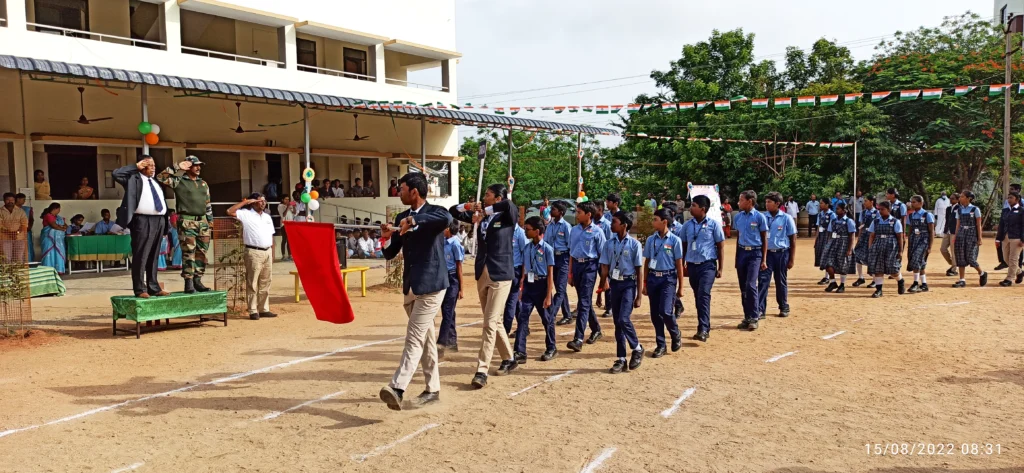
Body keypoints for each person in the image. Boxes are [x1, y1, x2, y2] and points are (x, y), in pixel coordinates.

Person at [378, 172, 452, 411]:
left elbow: (446, 219)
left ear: (414, 192)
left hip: (431, 287)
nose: (398, 192)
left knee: (414, 337)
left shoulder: (436, 212)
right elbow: (390, 253)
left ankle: (397, 387)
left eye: (401, 188)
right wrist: (386, 237)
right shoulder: (401, 217)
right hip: (411, 287)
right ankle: (433, 389)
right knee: (426, 340)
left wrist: (414, 222)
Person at [449, 183, 520, 388]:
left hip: (501, 274)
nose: (484, 198)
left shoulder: (507, 216)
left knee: (489, 323)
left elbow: (509, 206)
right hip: (483, 273)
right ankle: (509, 358)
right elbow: (453, 212)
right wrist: (469, 207)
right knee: (493, 321)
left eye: (488, 195)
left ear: (497, 198)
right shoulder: (480, 218)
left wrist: (485, 210)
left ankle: (482, 370)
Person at [114, 155, 170, 298]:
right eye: (149, 164)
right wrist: (135, 166)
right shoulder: (133, 180)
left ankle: (154, 287)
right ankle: (140, 289)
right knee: (141, 255)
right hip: (142, 221)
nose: (153, 167)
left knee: (154, 255)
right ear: (142, 165)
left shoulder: (155, 181)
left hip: (159, 220)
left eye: (154, 164)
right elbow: (116, 174)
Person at [157, 156, 213, 294]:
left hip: (203, 222)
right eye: (195, 165)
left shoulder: (203, 183)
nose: (198, 168)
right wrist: (177, 167)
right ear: (188, 167)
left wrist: (210, 221)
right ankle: (188, 282)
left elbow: (207, 204)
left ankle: (198, 280)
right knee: (189, 253)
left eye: (200, 165)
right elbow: (160, 177)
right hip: (187, 221)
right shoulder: (179, 181)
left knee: (202, 253)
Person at [599, 211, 644, 372]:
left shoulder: (634, 245)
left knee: (624, 319)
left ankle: (637, 348)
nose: (611, 224)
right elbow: (604, 267)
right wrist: (601, 288)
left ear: (624, 225)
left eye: (615, 222)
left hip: (628, 284)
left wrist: (639, 295)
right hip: (614, 284)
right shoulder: (609, 243)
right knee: (617, 323)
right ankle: (621, 358)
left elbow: (639, 270)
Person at [679, 195, 724, 342]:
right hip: (692, 266)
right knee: (698, 296)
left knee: (704, 294)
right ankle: (704, 325)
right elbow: (683, 245)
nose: (690, 208)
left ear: (702, 209)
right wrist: (683, 264)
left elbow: (720, 246)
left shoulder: (714, 225)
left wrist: (721, 268)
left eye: (693, 205)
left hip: (708, 266)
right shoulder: (687, 225)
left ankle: (703, 328)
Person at [515, 216, 559, 362]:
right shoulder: (527, 248)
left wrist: (548, 295)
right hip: (529, 285)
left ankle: (551, 347)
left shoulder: (547, 249)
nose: (525, 232)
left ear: (537, 231)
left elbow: (550, 273)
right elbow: (524, 268)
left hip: (541, 285)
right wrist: (522, 286)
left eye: (528, 229)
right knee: (522, 318)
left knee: (547, 319)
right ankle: (520, 352)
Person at [228, 193, 278, 320]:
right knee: (253, 281)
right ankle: (253, 310)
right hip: (253, 252)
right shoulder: (246, 214)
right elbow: (230, 211)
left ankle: (264, 308)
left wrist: (272, 253)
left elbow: (271, 236)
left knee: (266, 281)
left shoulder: (267, 217)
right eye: (260, 201)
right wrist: (245, 202)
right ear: (254, 202)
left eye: (264, 200)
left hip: (267, 251)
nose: (263, 203)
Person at [565, 201, 606, 352]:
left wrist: (604, 279)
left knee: (583, 302)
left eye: (579, 212)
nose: (577, 215)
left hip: (590, 266)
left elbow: (603, 257)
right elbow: (571, 253)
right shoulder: (574, 230)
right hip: (576, 266)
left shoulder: (597, 231)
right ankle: (596, 330)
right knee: (585, 301)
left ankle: (578, 338)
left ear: (588, 215)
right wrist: (570, 273)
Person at [642, 208, 684, 356]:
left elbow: (679, 264)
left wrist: (681, 286)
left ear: (664, 222)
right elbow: (647, 261)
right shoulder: (650, 240)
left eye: (655, 219)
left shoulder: (675, 240)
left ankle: (675, 333)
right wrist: (645, 283)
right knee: (655, 314)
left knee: (666, 311)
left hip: (668, 278)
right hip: (654, 278)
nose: (653, 222)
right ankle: (661, 344)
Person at [733, 190, 768, 330]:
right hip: (742, 252)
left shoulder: (760, 217)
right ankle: (747, 316)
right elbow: (738, 237)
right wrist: (737, 257)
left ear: (750, 201)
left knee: (751, 284)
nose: (738, 202)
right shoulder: (738, 217)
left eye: (741, 200)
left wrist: (764, 259)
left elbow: (765, 239)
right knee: (743, 286)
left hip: (755, 253)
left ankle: (754, 316)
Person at [759, 192, 797, 317]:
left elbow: (793, 239)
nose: (767, 204)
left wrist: (791, 259)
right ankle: (760, 309)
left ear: (777, 204)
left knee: (780, 281)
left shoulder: (786, 218)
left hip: (782, 254)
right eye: (766, 202)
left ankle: (783, 306)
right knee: (763, 281)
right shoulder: (762, 217)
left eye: (769, 202)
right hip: (767, 254)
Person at [866, 201, 905, 297]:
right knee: (878, 268)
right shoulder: (875, 221)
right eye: (879, 209)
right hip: (878, 245)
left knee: (893, 269)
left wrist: (900, 251)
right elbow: (872, 235)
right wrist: (870, 248)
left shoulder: (895, 221)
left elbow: (900, 236)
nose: (880, 211)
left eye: (882, 209)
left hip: (891, 246)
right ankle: (879, 290)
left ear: (889, 210)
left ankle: (900, 281)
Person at [438, 221, 465, 356]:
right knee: (447, 310)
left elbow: (459, 266)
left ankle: (442, 343)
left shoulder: (455, 244)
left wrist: (461, 288)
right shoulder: (443, 241)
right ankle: (452, 342)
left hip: (453, 278)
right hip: (442, 277)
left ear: (449, 229)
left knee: (448, 311)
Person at [546, 201, 574, 326]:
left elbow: (570, 246)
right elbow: (546, 242)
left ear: (561, 212)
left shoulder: (566, 226)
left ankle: (550, 315)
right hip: (552, 259)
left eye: (554, 209)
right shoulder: (550, 225)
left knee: (560, 290)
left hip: (563, 258)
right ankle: (567, 315)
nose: (551, 210)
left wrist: (570, 265)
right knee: (559, 288)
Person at [952, 191, 987, 287]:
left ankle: (982, 273)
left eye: (962, 196)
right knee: (960, 256)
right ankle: (962, 279)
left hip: (971, 234)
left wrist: (979, 238)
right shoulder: (959, 210)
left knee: (970, 257)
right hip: (961, 234)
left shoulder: (975, 209)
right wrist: (955, 236)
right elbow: (958, 224)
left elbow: (978, 224)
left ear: (968, 198)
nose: (960, 198)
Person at [822, 202, 856, 293]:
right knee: (828, 263)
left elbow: (852, 235)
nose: (836, 210)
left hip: (844, 243)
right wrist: (828, 244)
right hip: (833, 242)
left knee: (842, 265)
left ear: (844, 210)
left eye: (838, 209)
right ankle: (833, 282)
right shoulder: (833, 220)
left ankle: (842, 285)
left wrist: (849, 249)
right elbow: (829, 232)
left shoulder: (849, 221)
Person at [904, 196, 935, 293]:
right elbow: (910, 230)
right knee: (920, 262)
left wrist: (930, 246)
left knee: (916, 260)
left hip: (923, 240)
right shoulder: (911, 215)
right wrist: (909, 242)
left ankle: (915, 283)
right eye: (911, 202)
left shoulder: (927, 215)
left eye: (914, 202)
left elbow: (931, 231)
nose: (912, 204)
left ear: (920, 203)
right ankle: (924, 284)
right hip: (914, 240)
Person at [504, 222, 528, 337]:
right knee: (515, 301)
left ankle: (505, 329)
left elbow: (525, 255)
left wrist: (523, 276)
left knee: (511, 301)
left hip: (516, 271)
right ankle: (524, 327)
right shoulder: (504, 230)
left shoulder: (520, 233)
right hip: (504, 270)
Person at [997, 191, 1024, 286]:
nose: (1009, 200)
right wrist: (998, 238)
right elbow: (1001, 225)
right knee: (1006, 258)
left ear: (1017, 199)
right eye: (1008, 198)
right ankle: (1019, 272)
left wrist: (1023, 239)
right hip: (1005, 237)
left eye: (1011, 198)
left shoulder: (1022, 210)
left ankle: (1009, 279)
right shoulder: (1005, 211)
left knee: (1013, 259)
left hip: (1017, 237)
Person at [852, 195, 877, 287]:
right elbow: (861, 225)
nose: (864, 202)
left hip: (873, 236)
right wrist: (859, 238)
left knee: (871, 257)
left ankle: (875, 280)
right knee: (857, 255)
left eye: (866, 201)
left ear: (871, 202)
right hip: (864, 236)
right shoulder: (863, 213)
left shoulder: (877, 212)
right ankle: (861, 277)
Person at [39, 203, 67, 273]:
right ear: (55, 209)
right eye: (59, 209)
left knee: (58, 253)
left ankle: (59, 269)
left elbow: (66, 226)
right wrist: (62, 228)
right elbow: (54, 226)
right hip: (48, 239)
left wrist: (62, 227)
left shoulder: (59, 218)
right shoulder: (48, 216)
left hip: (58, 239)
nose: (59, 210)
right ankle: (48, 270)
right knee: (49, 253)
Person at [0, 193, 29, 263]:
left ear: (14, 200)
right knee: (6, 258)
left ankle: (18, 273)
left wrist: (17, 232)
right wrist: (9, 233)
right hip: (4, 239)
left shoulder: (20, 211)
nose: (10, 201)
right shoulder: (0, 211)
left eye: (12, 200)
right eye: (8, 200)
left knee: (19, 258)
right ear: (4, 200)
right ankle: (8, 274)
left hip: (19, 238)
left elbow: (24, 224)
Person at [813, 198, 836, 284]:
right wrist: (816, 239)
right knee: (821, 255)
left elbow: (833, 228)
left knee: (827, 256)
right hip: (821, 237)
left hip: (828, 236)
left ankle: (828, 277)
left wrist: (831, 240)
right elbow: (818, 227)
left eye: (822, 203)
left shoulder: (832, 215)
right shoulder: (820, 214)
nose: (820, 205)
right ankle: (826, 276)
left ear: (827, 204)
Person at [940, 193, 960, 277]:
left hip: (954, 232)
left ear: (957, 199)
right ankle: (953, 264)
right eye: (950, 198)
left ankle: (954, 269)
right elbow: (947, 220)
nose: (951, 200)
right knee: (943, 249)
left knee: (953, 250)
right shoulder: (948, 208)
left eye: (953, 198)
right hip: (947, 231)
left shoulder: (960, 208)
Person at [15, 193, 34, 262]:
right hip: (15, 232)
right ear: (18, 199)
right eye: (23, 199)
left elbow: (31, 219)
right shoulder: (12, 209)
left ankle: (29, 262)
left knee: (27, 247)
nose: (24, 201)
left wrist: (29, 228)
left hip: (26, 231)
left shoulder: (27, 209)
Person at [277, 196, 295, 261]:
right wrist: (287, 207)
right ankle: (283, 255)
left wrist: (294, 206)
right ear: (282, 199)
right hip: (284, 224)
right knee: (284, 239)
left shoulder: (290, 206)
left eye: (288, 199)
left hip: (291, 224)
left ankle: (290, 255)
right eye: (286, 199)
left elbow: (294, 213)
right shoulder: (280, 206)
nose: (287, 200)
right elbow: (283, 215)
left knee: (289, 240)